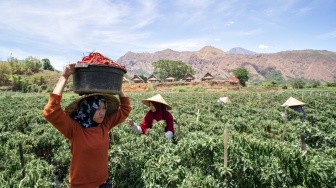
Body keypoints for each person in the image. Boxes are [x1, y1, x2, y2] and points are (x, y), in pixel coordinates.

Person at [43, 63, 131, 188]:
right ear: (88, 109)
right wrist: (64, 76)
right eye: (98, 108)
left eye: (104, 108)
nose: (102, 112)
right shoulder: (74, 129)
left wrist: (118, 87)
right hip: (81, 185)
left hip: (103, 182)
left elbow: (125, 109)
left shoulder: (104, 125)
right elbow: (51, 111)